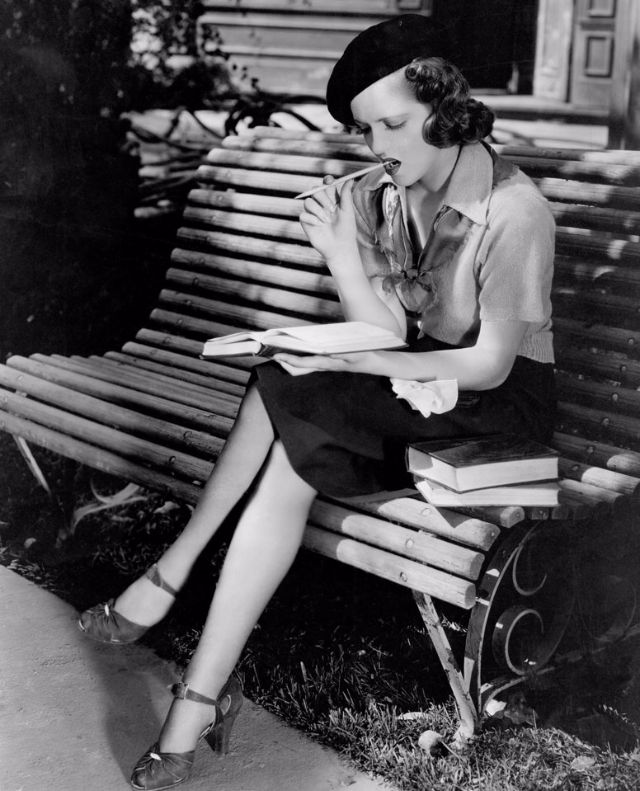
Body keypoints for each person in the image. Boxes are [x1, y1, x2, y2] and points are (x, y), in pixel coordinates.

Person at [78, 13, 556, 790]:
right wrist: (340, 251)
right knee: (287, 423)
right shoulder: (394, 194)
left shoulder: (514, 210)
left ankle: (170, 596)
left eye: (392, 124)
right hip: (417, 383)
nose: (378, 146)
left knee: (291, 398)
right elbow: (384, 327)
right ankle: (196, 688)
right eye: (366, 131)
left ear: (446, 109)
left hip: (493, 409)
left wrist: (358, 359)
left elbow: (491, 363)